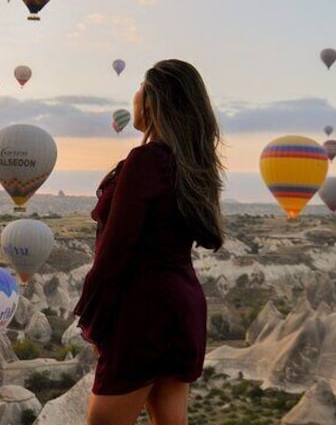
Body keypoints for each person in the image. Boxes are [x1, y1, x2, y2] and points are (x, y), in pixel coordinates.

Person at [74, 59, 225, 424]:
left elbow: (114, 251)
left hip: (142, 313)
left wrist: (92, 313)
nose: (135, 96)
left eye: (141, 88)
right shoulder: (192, 165)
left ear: (154, 101)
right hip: (182, 305)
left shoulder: (146, 161)